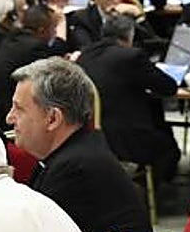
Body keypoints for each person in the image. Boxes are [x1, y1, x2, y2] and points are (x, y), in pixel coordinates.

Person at [7, 57, 152, 232]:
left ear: (53, 119)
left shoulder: (75, 171)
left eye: (19, 109)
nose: (9, 118)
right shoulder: (78, 151)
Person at [77, 14, 181, 181]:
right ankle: (146, 189)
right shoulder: (131, 56)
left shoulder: (85, 56)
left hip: (90, 135)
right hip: (126, 140)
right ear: (130, 34)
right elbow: (168, 87)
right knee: (169, 149)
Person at [0, 4, 61, 121]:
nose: (55, 32)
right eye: (53, 28)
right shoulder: (35, 48)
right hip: (8, 112)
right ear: (42, 31)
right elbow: (51, 78)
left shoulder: (11, 38)